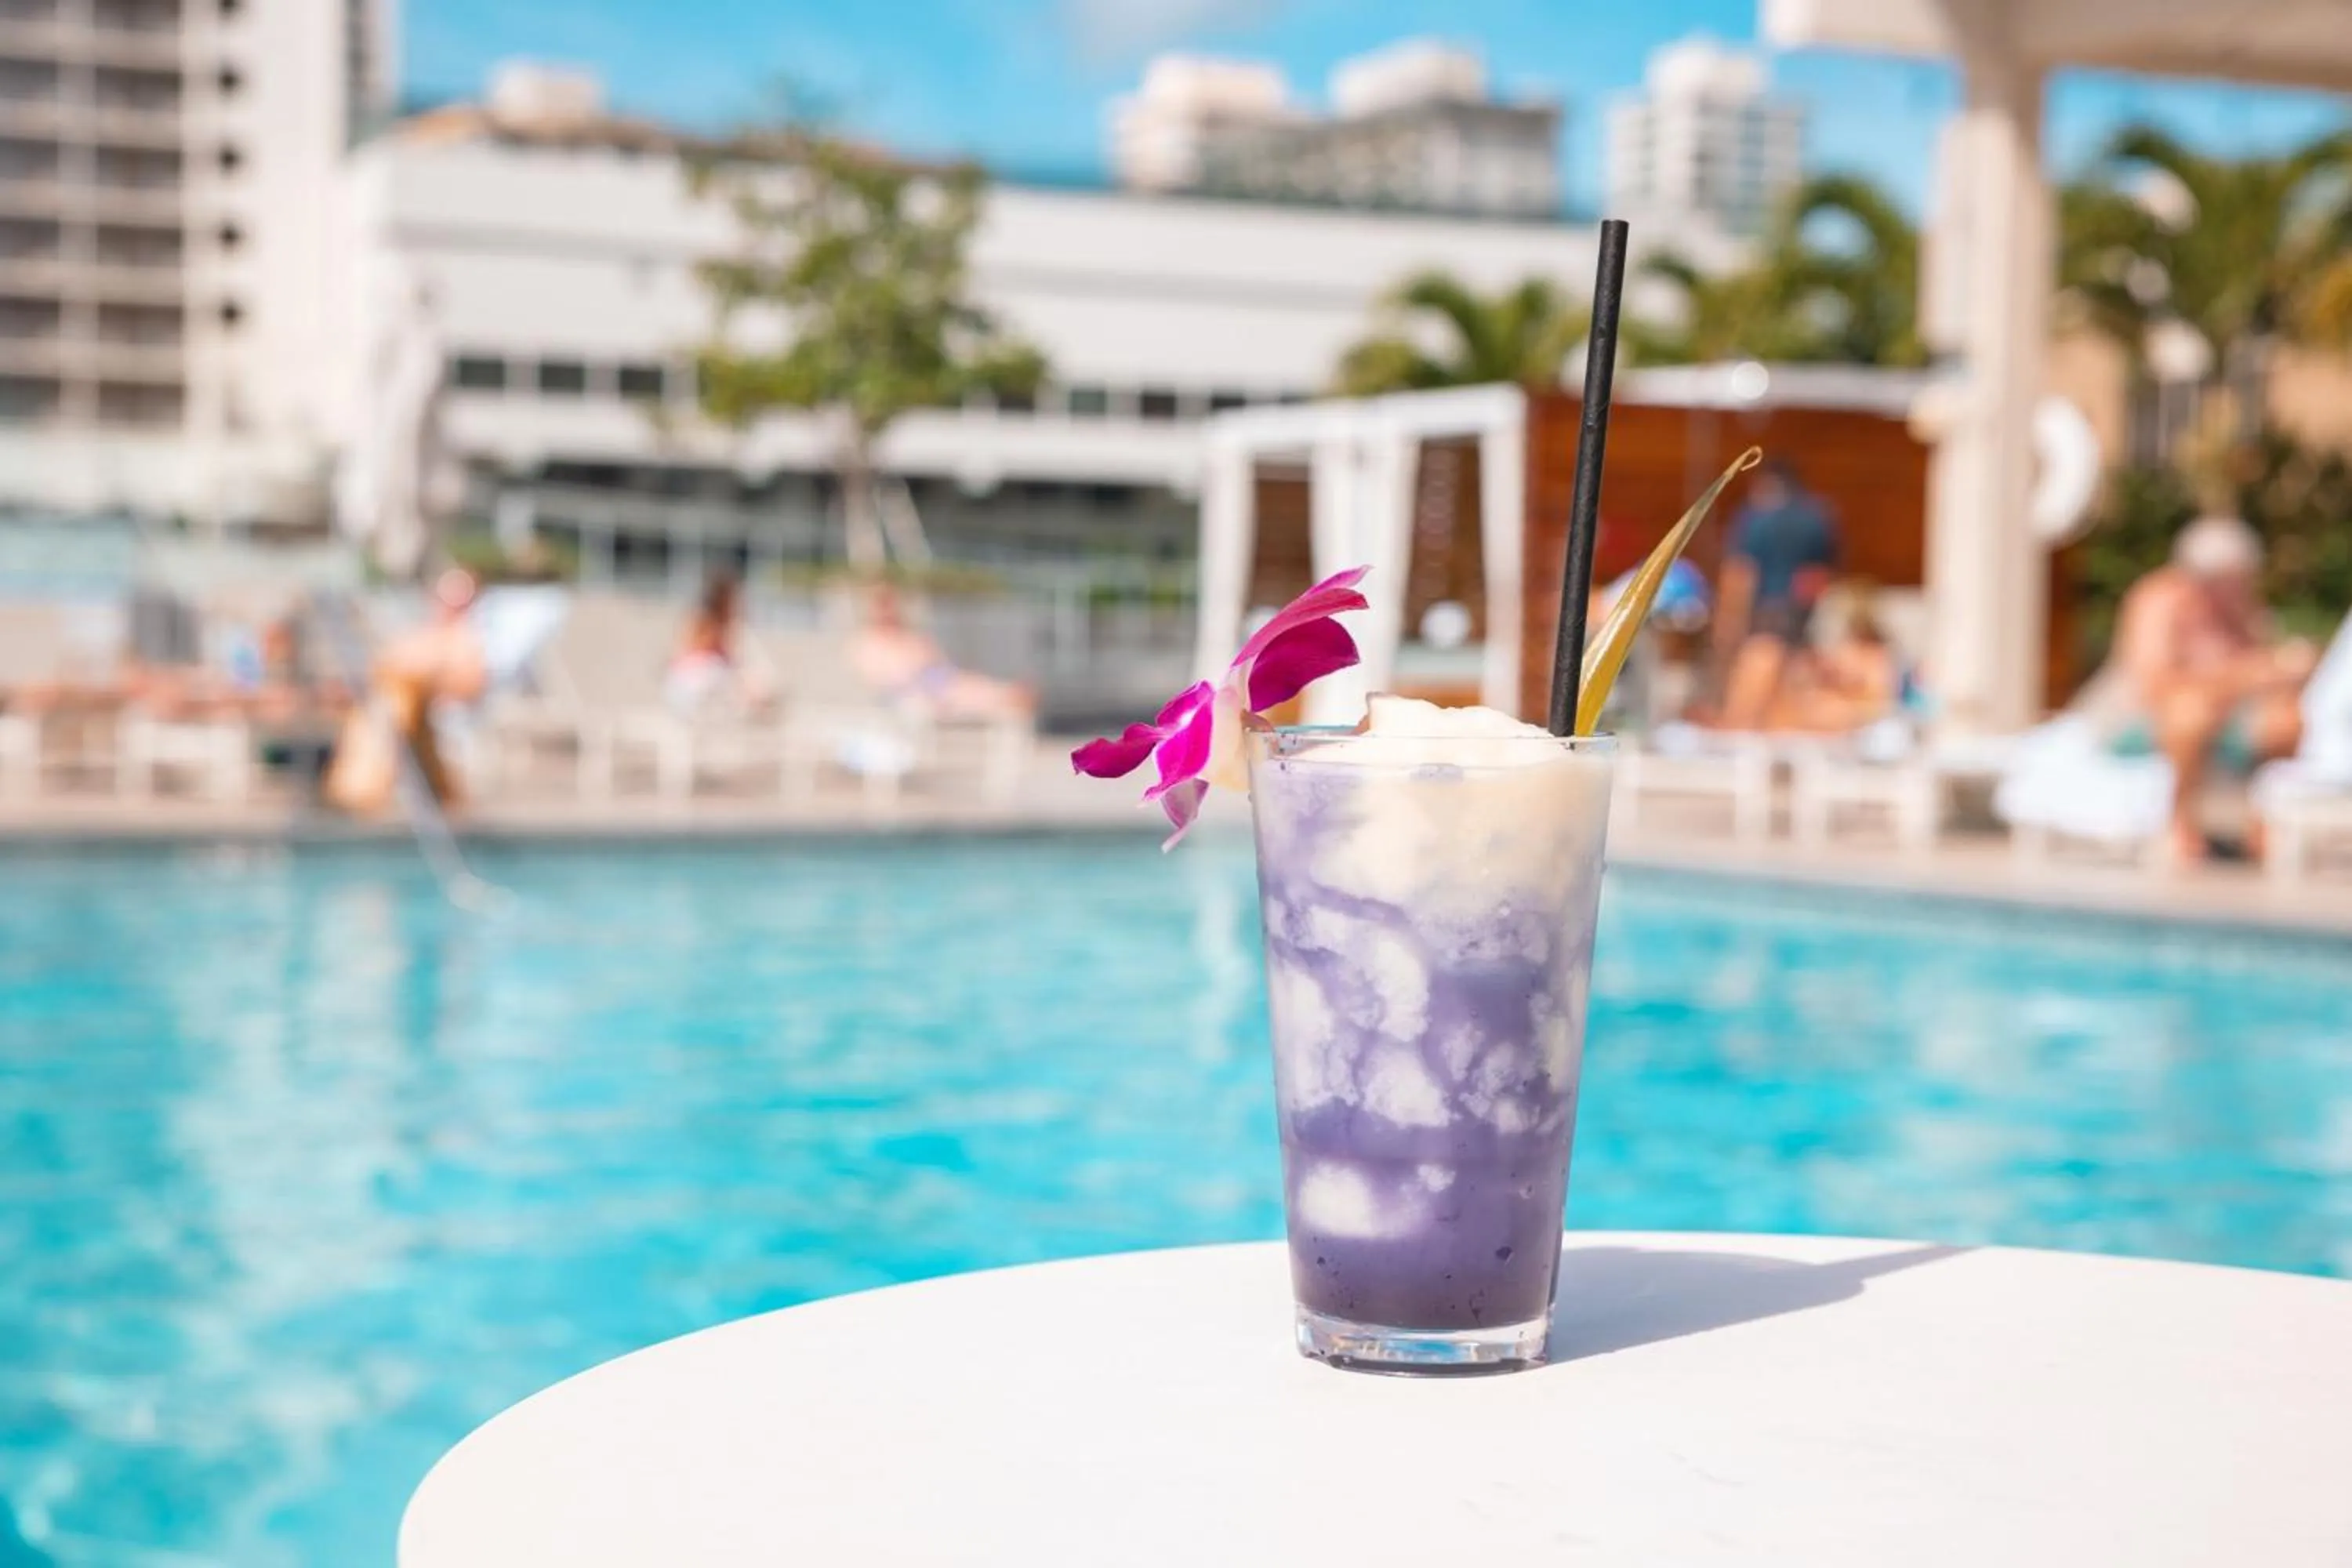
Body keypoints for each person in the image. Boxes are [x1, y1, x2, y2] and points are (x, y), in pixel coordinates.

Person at [2100, 514, 2314, 862]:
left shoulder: (2243, 607)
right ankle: (2180, 825)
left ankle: (2264, 824)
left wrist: (2285, 670)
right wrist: (2236, 679)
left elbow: (2264, 664)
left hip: (2229, 716)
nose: (2238, 589)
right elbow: (2154, 684)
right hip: (2146, 719)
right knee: (2190, 716)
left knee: (2288, 722)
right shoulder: (2160, 600)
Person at [328, 566, 486, 812]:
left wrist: (429, 680)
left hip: (437, 714)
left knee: (392, 703)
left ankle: (361, 785)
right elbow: (389, 665)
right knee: (390, 701)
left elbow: (468, 684)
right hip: (407, 711)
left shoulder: (468, 639)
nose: (448, 604)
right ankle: (360, 784)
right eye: (445, 596)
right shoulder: (424, 635)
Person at [1715, 459, 1840, 730]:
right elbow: (1822, 571)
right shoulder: (1817, 516)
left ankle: (1742, 726)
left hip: (1767, 606)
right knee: (1789, 680)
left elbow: (1741, 572)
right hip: (1799, 606)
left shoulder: (1756, 518)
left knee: (1757, 671)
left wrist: (1729, 619)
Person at [849, 583, 1034, 720]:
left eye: (890, 604)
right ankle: (1007, 695)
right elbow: (886, 679)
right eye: (883, 605)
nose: (889, 611)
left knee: (963, 685)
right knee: (954, 691)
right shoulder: (866, 643)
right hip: (908, 692)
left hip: (935, 682)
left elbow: (939, 666)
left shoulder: (911, 637)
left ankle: (1007, 694)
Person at [665, 572, 767, 716]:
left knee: (741, 678)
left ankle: (757, 702)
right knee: (743, 679)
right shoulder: (711, 624)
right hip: (695, 682)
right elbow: (714, 653)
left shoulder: (702, 619)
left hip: (686, 684)